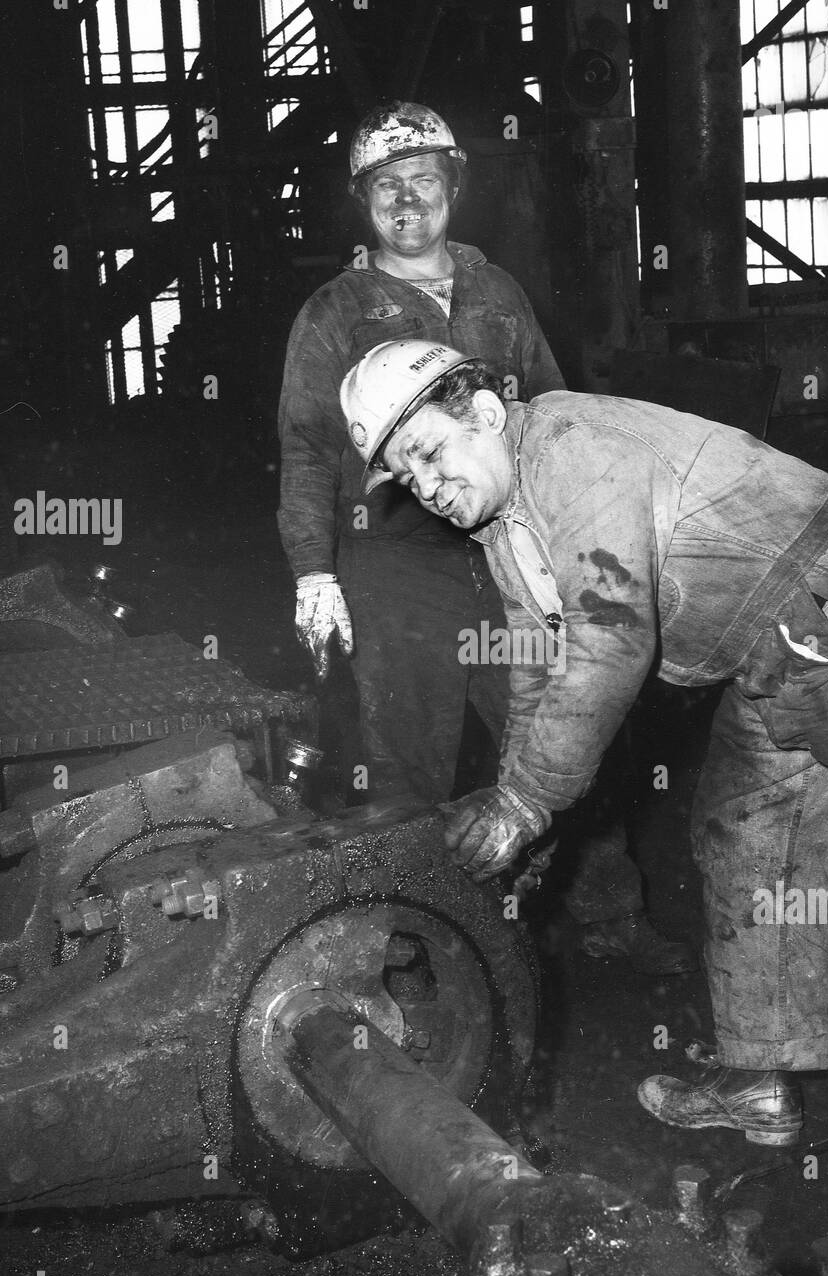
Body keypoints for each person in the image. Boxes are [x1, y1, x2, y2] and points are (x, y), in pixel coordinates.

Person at [338, 338, 828, 1201]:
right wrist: (528, 808)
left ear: (481, 412)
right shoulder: (504, 523)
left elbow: (608, 636)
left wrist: (525, 800)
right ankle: (760, 1079)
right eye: (406, 478)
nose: (427, 489)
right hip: (778, 651)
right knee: (743, 835)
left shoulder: (573, 452)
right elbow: (538, 665)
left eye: (430, 454)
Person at [278, 103, 687, 973]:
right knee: (404, 763)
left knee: (567, 727)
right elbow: (307, 450)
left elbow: (547, 406)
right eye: (387, 185)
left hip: (507, 553)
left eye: (424, 179)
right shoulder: (336, 309)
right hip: (394, 567)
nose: (406, 199)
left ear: (453, 188)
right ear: (362, 202)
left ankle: (609, 917)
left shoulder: (498, 292)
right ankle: (414, 954)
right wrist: (315, 573)